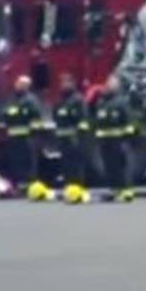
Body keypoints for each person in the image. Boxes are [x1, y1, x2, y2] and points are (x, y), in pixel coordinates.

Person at [0, 75, 47, 199]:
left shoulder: (30, 100)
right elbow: (5, 113)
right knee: (15, 163)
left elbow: (36, 118)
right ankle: (16, 187)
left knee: (28, 164)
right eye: (17, 82)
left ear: (27, 86)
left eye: (21, 83)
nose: (18, 85)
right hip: (13, 137)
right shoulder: (12, 99)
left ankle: (30, 187)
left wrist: (34, 134)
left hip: (27, 138)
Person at [92, 74, 139, 203]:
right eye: (107, 83)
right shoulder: (101, 102)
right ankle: (115, 190)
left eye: (111, 83)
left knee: (123, 166)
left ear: (117, 86)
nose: (108, 85)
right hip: (105, 142)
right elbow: (97, 122)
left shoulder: (122, 102)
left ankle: (127, 191)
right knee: (109, 167)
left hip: (120, 142)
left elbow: (130, 122)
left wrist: (127, 137)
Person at [52, 73, 91, 204]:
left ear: (72, 84)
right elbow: (55, 118)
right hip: (63, 139)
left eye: (66, 82)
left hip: (75, 139)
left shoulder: (78, 100)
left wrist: (80, 138)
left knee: (77, 166)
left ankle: (80, 189)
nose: (63, 85)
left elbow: (84, 120)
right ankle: (69, 189)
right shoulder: (60, 101)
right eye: (62, 83)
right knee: (66, 166)